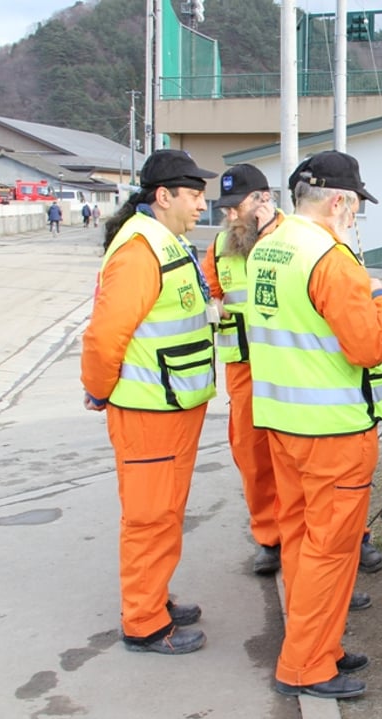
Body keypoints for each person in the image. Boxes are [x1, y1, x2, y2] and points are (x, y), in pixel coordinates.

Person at [247, 151, 382, 700]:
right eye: (355, 204)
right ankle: (307, 665)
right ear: (339, 201)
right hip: (333, 433)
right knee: (329, 551)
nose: (355, 214)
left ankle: (319, 645)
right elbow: (369, 344)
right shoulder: (331, 260)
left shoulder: (271, 248)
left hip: (283, 424)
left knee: (299, 542)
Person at [80, 149, 218, 655]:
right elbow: (103, 337)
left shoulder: (166, 242)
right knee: (149, 516)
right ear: (164, 197)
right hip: (148, 411)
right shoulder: (139, 251)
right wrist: (98, 389)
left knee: (165, 512)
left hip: (172, 405)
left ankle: (153, 597)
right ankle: (144, 622)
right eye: (195, 195)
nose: (203, 205)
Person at [201, 164, 284, 576]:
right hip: (245, 370)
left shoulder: (295, 238)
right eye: (226, 208)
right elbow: (212, 295)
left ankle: (346, 539)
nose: (229, 215)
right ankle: (270, 538)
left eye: (237, 207)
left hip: (293, 368)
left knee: (309, 459)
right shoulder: (218, 249)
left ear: (263, 200)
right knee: (253, 458)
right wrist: (212, 308)